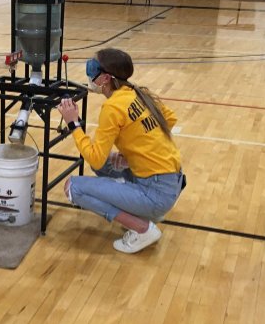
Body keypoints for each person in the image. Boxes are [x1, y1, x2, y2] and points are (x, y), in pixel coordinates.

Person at [56, 48, 185, 253]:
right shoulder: (137, 92)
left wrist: (74, 124)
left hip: (156, 193)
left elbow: (95, 159)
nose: (89, 73)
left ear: (106, 78)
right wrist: (131, 154)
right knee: (108, 162)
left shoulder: (113, 107)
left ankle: (142, 229)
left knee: (74, 188)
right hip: (171, 182)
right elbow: (169, 120)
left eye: (92, 68)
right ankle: (139, 207)